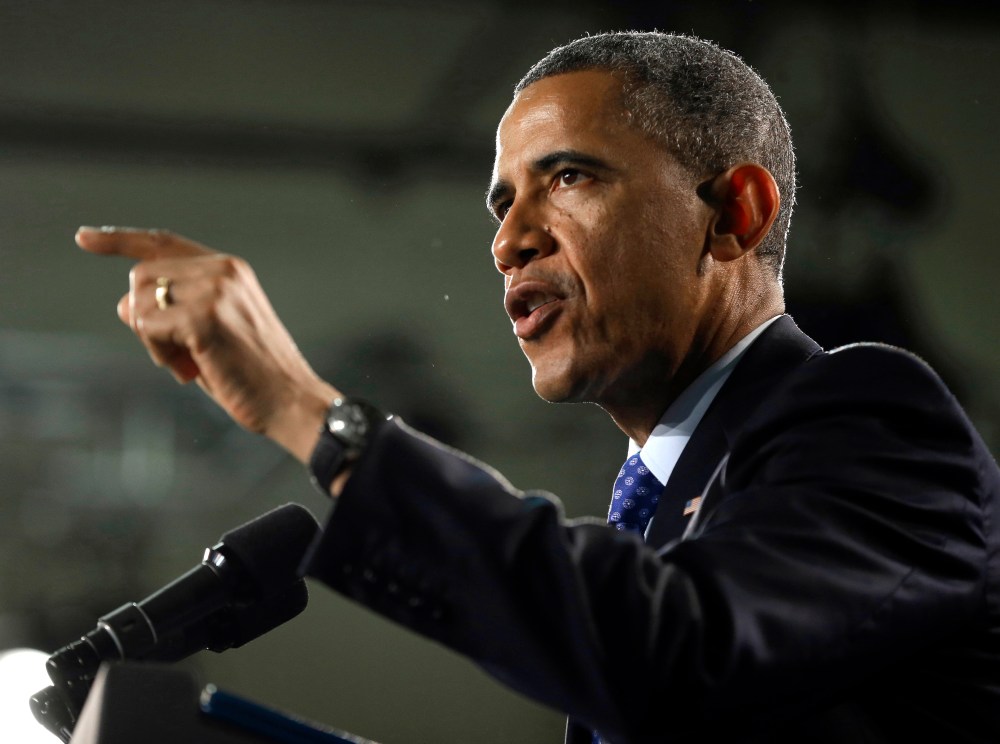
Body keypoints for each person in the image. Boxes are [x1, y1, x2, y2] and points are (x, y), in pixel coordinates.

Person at [76, 31, 999, 744]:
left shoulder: (877, 420)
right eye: (501, 202)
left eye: (566, 177)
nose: (508, 239)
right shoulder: (668, 506)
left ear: (734, 216)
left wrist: (309, 413)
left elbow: (673, 657)